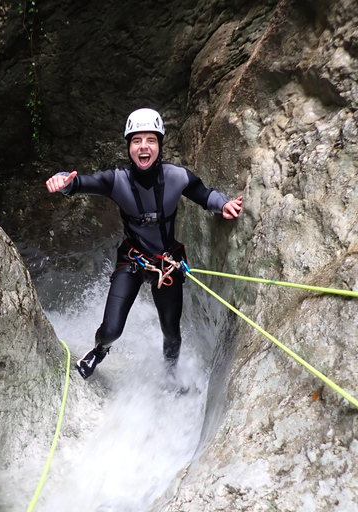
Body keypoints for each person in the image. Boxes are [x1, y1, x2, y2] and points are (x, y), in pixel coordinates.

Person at [46, 108, 242, 379]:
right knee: (112, 330)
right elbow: (79, 182)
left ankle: (170, 375)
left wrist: (224, 204)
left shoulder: (177, 176)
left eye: (150, 139)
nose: (144, 146)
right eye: (137, 140)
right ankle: (99, 350)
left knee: (172, 334)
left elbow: (204, 195)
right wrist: (63, 182)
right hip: (133, 260)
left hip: (167, 263)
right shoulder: (117, 180)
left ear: (160, 144)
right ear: (129, 147)